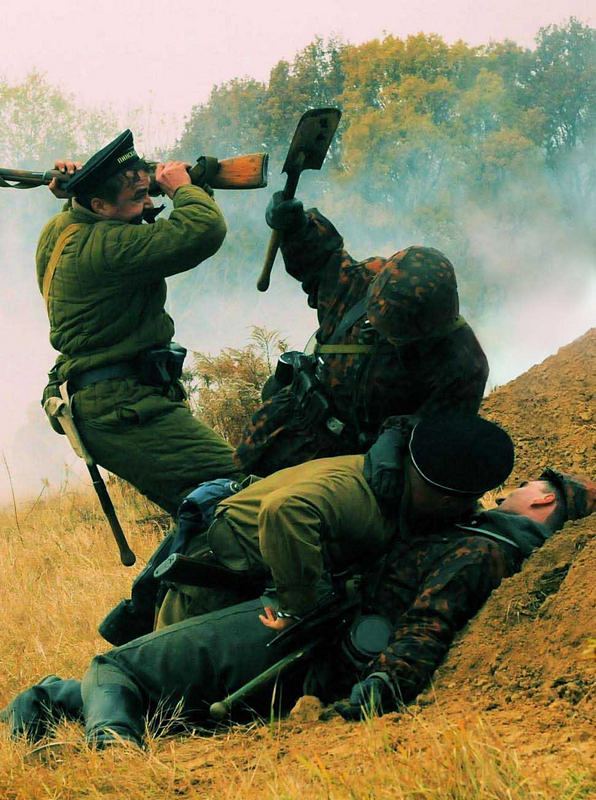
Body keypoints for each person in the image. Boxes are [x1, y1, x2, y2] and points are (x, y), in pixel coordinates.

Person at [2, 468, 592, 747]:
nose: (510, 488)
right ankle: (39, 710)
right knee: (161, 700)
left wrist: (376, 692)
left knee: (115, 668)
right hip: (315, 640)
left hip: (309, 640)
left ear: (542, 500)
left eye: (525, 486)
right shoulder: (490, 543)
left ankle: (112, 757)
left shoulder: (483, 548)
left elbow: (428, 623)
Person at [37, 130, 243, 515]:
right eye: (138, 197)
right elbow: (202, 229)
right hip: (123, 406)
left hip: (109, 400)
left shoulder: (63, 229)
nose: (148, 203)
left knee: (207, 512)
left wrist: (81, 187)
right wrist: (183, 188)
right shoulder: (109, 246)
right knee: (241, 492)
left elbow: (86, 216)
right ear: (99, 205)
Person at [153, 414, 514, 629]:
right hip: (214, 582)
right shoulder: (357, 494)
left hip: (253, 575)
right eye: (464, 501)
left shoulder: (389, 481)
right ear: (446, 499)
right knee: (167, 696)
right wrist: (300, 610)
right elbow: (284, 509)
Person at [235, 193, 490, 477]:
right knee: (224, 489)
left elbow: (440, 435)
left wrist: (397, 437)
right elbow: (322, 263)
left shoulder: (463, 364)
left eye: (394, 330)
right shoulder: (365, 281)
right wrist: (297, 227)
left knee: (275, 504)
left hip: (343, 465)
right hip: (285, 426)